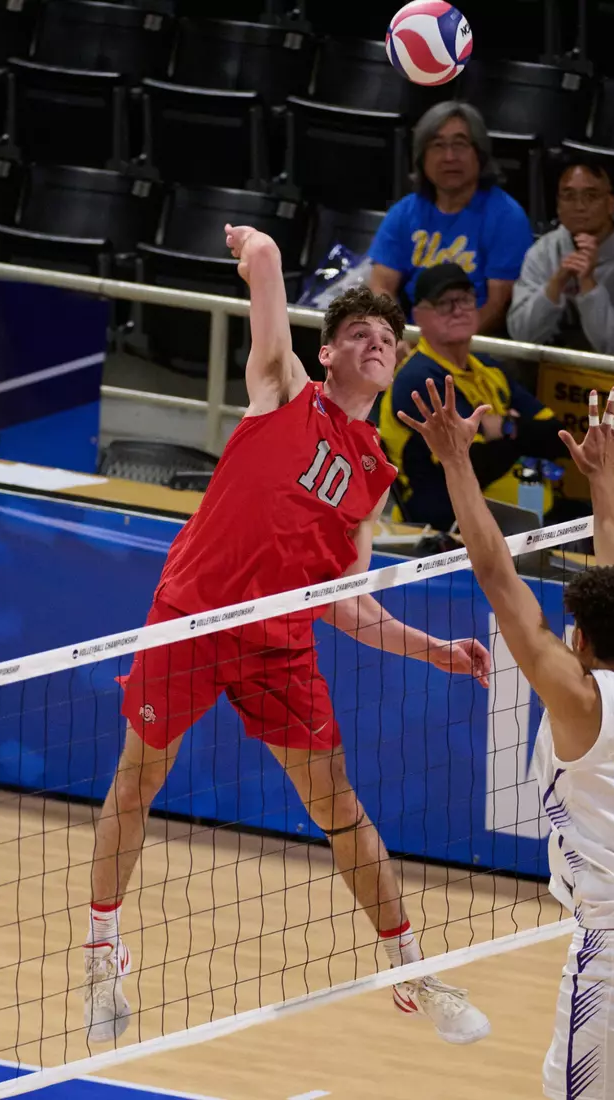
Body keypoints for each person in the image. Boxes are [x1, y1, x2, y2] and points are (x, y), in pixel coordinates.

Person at [82, 226, 492, 1047]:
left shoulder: (375, 473)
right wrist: (257, 249)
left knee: (338, 808)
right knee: (135, 786)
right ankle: (103, 956)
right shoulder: (282, 390)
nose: (376, 345)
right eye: (359, 336)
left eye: (387, 339)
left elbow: (347, 603)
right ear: (329, 354)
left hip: (279, 646)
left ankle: (408, 966)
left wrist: (435, 650)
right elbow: (264, 282)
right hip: (192, 623)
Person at [399, 381, 614, 1099]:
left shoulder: (577, 698)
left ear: (577, 636)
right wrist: (603, 480)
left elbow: (494, 575)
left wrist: (454, 462)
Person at [378, 263, 566, 530]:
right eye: (444, 303)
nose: (458, 310)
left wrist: (504, 428)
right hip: (450, 528)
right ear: (419, 315)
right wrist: (521, 437)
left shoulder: (488, 368)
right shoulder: (420, 379)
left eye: (465, 299)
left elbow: (556, 437)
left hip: (519, 518)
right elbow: (473, 464)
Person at [368, 102, 533, 334]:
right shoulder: (405, 212)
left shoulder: (506, 217)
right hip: (412, 338)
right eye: (437, 145)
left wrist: (442, 350)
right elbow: (380, 285)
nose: (449, 156)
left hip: (474, 346)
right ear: (422, 158)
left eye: (460, 144)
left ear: (480, 154)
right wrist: (394, 336)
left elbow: (497, 305)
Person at [507, 155, 614, 360]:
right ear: (558, 205)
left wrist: (588, 284)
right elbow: (521, 336)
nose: (579, 206)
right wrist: (556, 284)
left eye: (591, 196)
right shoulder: (544, 250)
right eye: (568, 196)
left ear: (611, 203)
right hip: (557, 363)